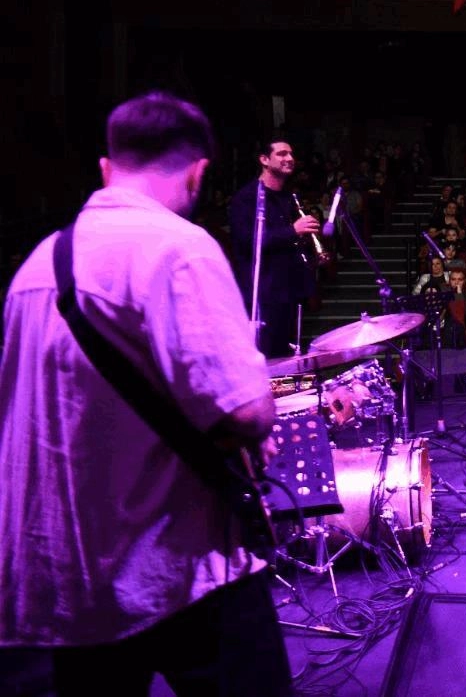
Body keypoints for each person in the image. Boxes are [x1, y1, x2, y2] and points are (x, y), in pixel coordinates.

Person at [0, 92, 291, 693]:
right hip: (176, 568)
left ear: (107, 168)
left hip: (70, 579)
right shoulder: (178, 248)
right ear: (198, 171)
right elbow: (247, 410)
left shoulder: (35, 266)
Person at [227, 137, 320, 357]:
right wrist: (292, 231)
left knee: (291, 357)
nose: (289, 158)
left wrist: (307, 247)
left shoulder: (288, 197)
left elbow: (286, 242)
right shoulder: (247, 198)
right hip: (263, 295)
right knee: (268, 358)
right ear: (264, 159)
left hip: (290, 291)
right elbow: (246, 240)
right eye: (281, 154)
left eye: (291, 154)